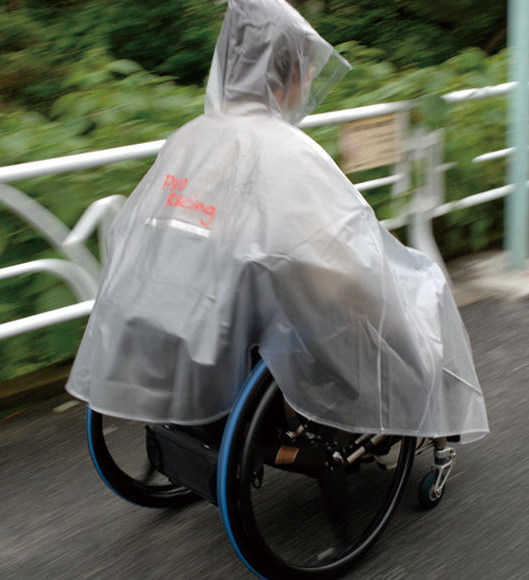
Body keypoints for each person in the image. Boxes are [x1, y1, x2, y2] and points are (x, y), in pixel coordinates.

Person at [66, 0, 488, 443]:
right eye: (306, 71)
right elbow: (333, 248)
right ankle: (416, 409)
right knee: (419, 288)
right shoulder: (284, 148)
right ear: (287, 74)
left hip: (187, 302)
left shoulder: (191, 137)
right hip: (262, 311)